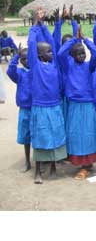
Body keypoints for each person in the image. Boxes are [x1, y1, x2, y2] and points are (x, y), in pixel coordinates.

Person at [26, 10, 68, 184]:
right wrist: (36, 25)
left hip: (55, 106)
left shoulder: (54, 65)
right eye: (48, 52)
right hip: (41, 107)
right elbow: (31, 43)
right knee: (41, 136)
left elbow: (52, 41)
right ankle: (38, 171)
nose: (52, 53)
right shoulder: (35, 66)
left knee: (56, 134)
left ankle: (52, 167)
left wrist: (45, 25)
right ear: (39, 55)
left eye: (51, 52)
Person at [60, 18, 96, 180]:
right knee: (76, 134)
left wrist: (84, 39)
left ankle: (86, 165)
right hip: (75, 105)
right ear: (72, 55)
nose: (81, 55)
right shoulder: (68, 65)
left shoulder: (88, 66)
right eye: (78, 53)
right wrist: (73, 40)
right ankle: (83, 164)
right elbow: (60, 53)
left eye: (83, 53)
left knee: (88, 134)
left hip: (87, 105)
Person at [7, 44, 33, 172]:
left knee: (38, 135)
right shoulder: (19, 73)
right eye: (23, 59)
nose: (26, 61)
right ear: (21, 61)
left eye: (29, 58)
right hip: (24, 108)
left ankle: (41, 161)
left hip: (36, 108)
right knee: (26, 136)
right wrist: (16, 55)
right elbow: (9, 71)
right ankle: (27, 161)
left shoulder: (36, 71)